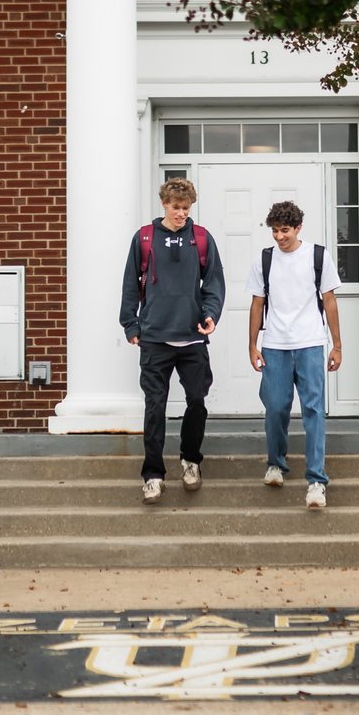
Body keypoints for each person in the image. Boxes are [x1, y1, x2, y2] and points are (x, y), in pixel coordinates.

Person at [121, 178, 225, 504]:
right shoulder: (145, 238)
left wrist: (211, 313)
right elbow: (130, 283)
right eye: (176, 207)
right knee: (155, 407)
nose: (181, 213)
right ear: (164, 204)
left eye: (186, 208)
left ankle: (190, 460)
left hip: (192, 338)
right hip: (154, 338)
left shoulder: (201, 239)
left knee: (197, 402)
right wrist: (130, 323)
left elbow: (214, 283)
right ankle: (153, 475)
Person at [247, 200, 342, 509]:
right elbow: (257, 303)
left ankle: (316, 481)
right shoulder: (264, 260)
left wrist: (337, 345)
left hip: (311, 342)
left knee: (314, 410)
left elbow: (329, 301)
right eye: (274, 231)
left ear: (298, 228)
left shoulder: (317, 256)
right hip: (275, 344)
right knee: (275, 407)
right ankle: (275, 463)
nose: (279, 236)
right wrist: (252, 345)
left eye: (285, 230)